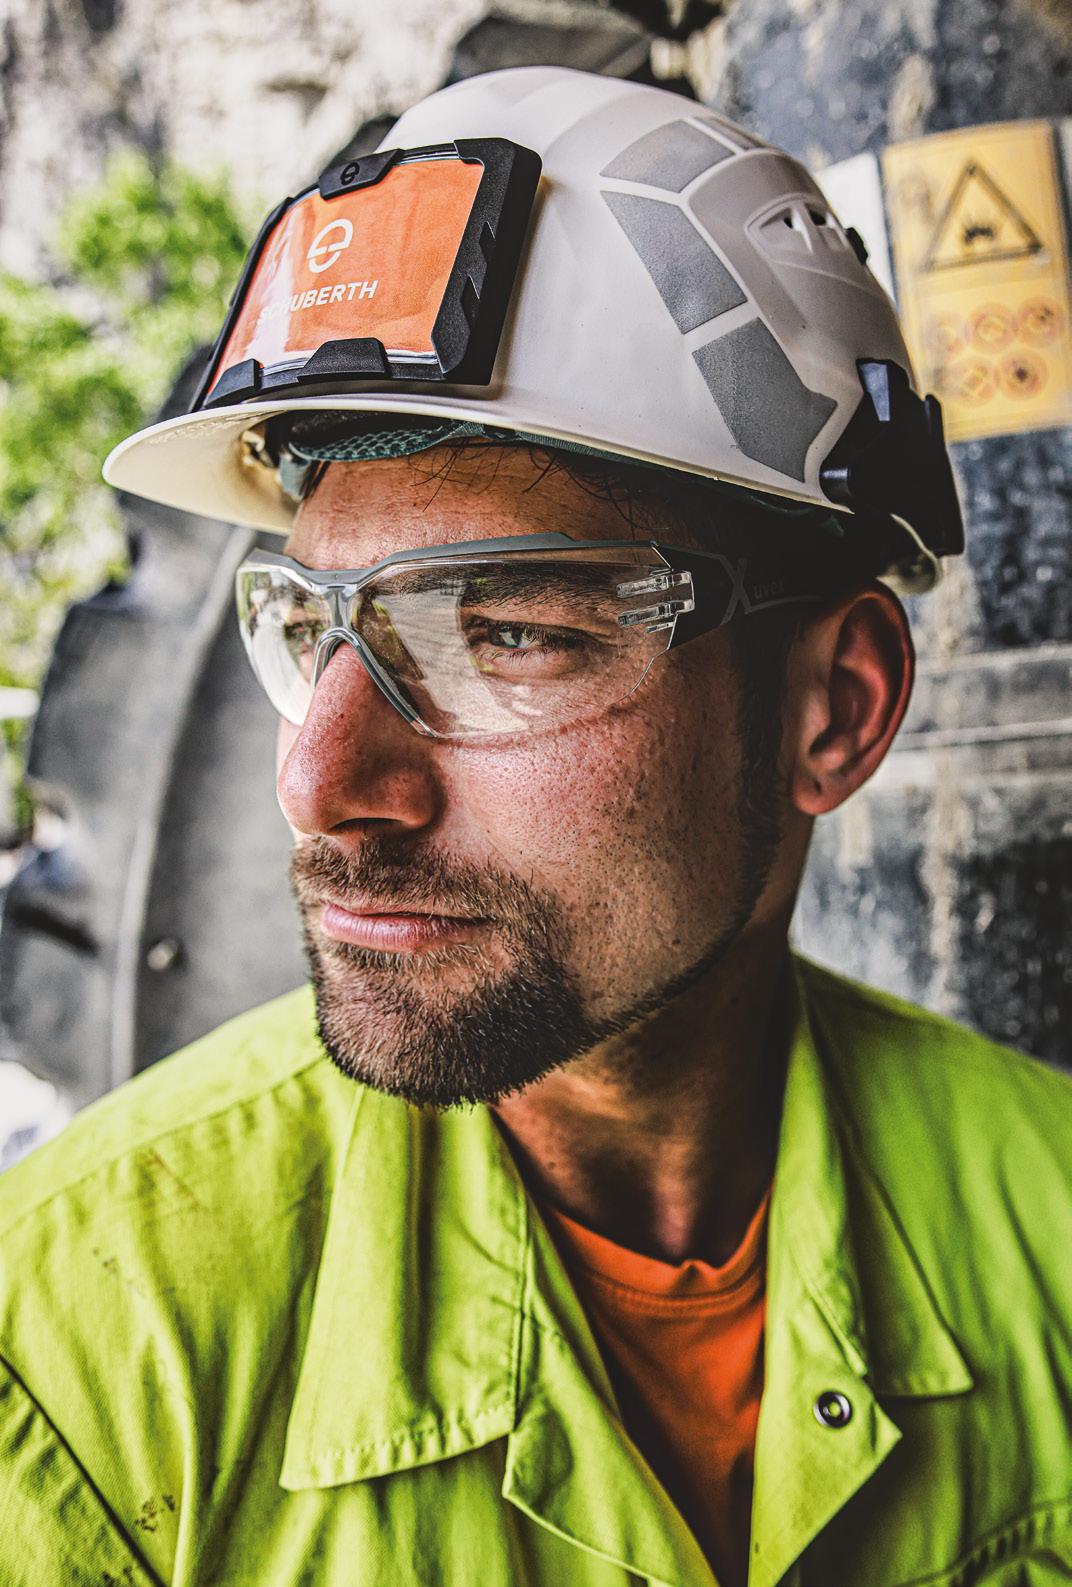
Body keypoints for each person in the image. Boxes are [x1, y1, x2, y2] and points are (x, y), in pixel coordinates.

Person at [1, 64, 1070, 1587]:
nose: (321, 783)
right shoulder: (76, 1360)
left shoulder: (1053, 1235)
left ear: (832, 710)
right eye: (310, 629)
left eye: (506, 634)